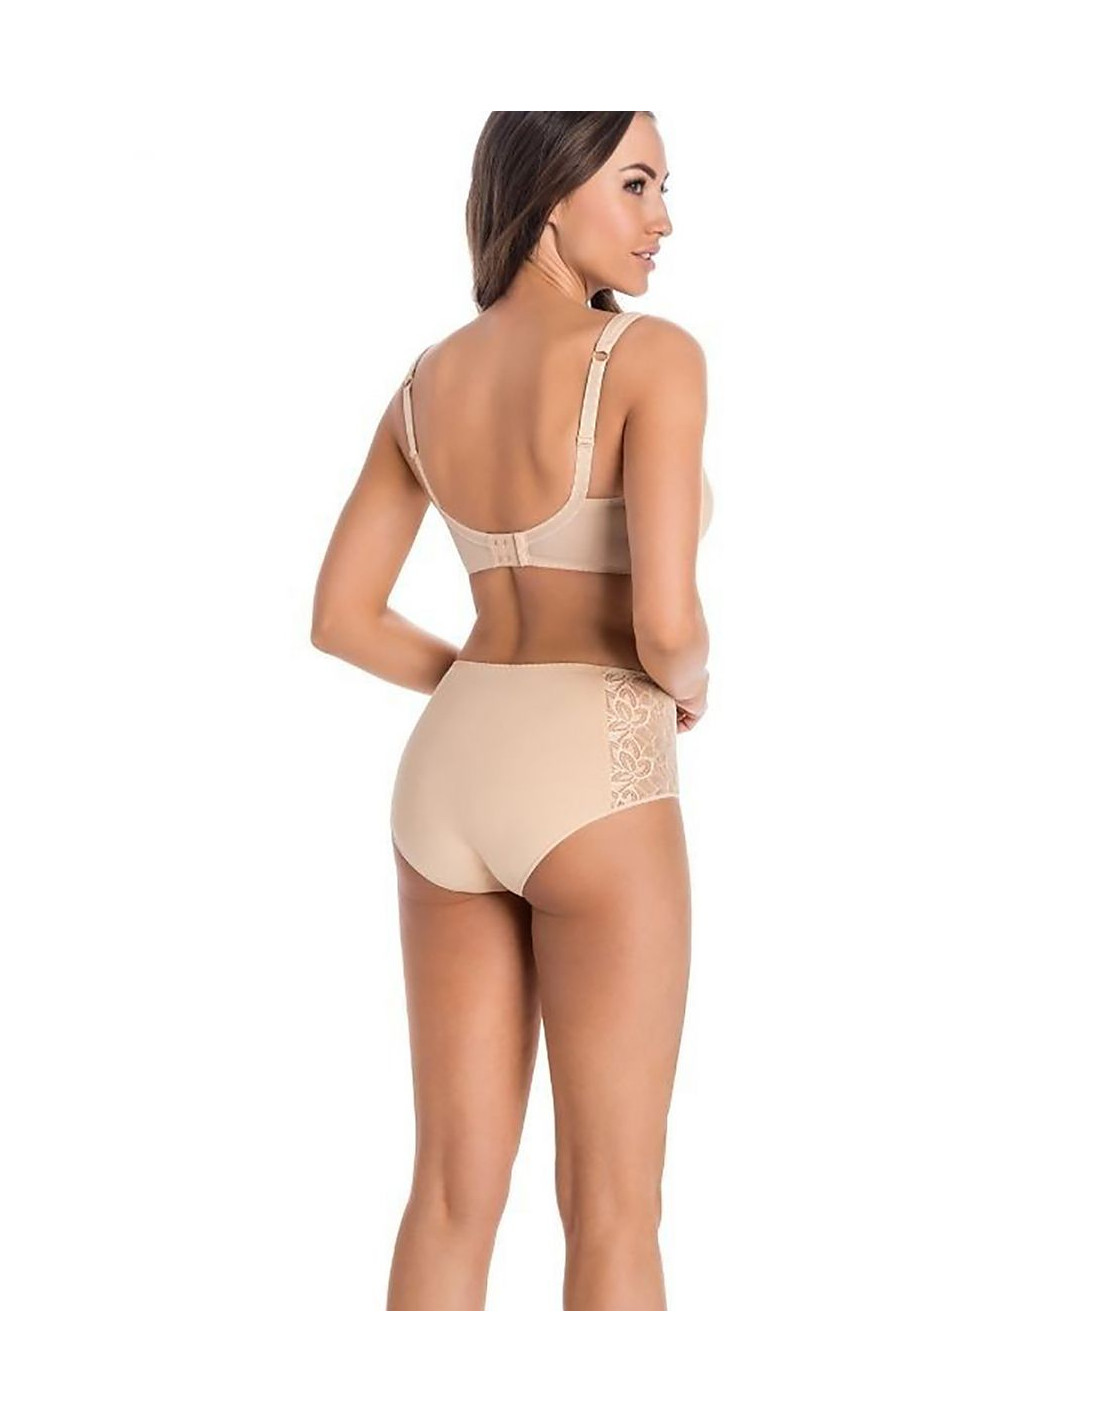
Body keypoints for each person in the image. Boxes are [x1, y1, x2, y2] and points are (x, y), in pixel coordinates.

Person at [311, 111, 713, 1310]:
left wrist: (482, 696)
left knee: (447, 1194)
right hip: (594, 767)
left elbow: (341, 617)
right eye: (634, 184)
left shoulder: (422, 383)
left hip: (446, 772)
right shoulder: (649, 357)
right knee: (613, 1208)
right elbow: (665, 628)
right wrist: (690, 686)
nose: (661, 219)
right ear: (550, 192)